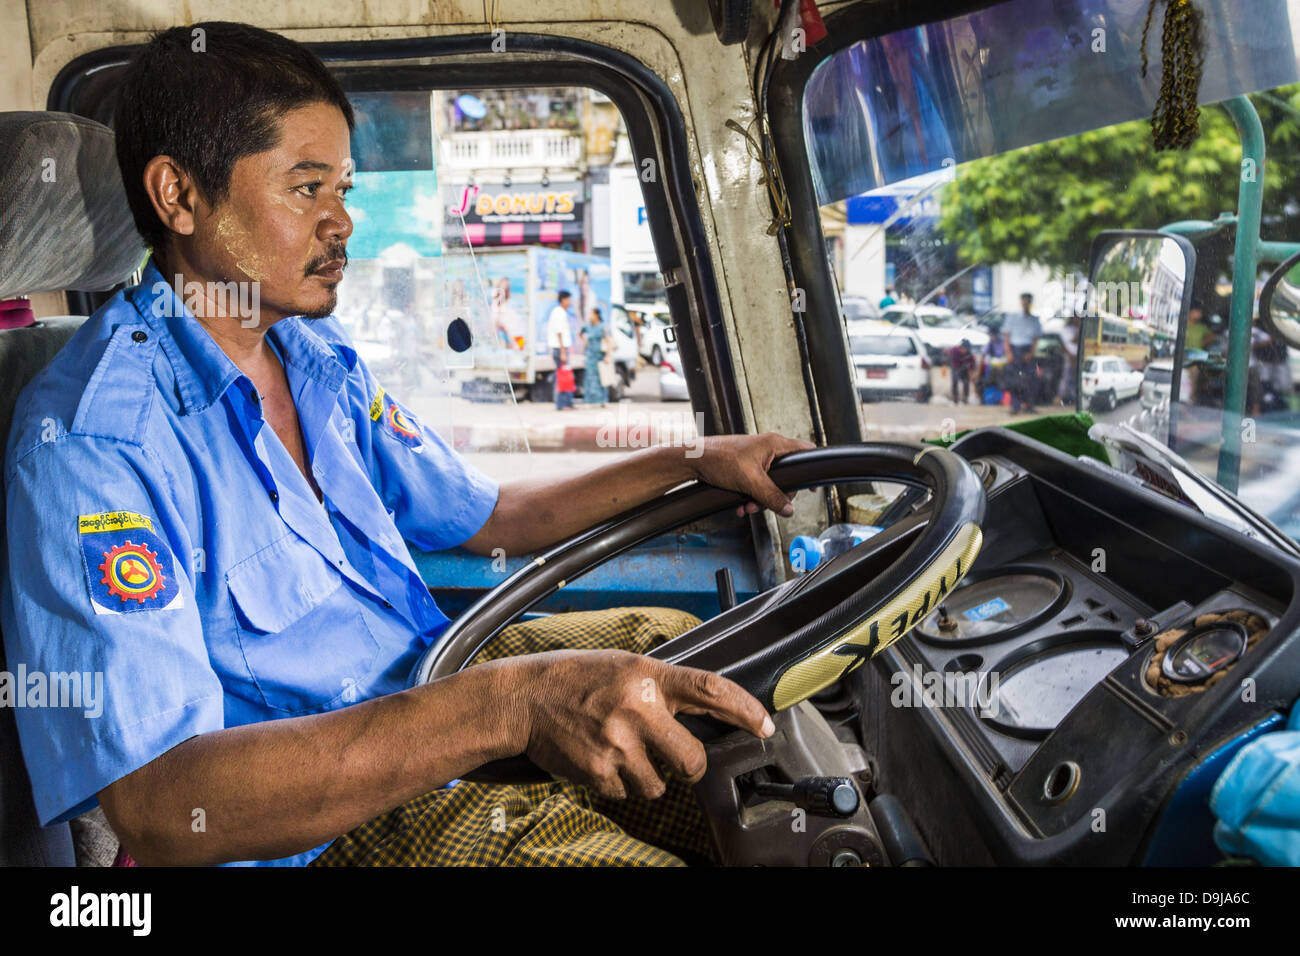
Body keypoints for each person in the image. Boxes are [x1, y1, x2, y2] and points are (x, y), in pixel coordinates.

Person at [1, 22, 814, 868]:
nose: (342, 221)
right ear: (179, 197)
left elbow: (495, 513)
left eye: (342, 188)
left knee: (688, 666)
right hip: (321, 831)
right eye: (305, 188)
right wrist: (506, 708)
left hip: (424, 697)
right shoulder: (92, 443)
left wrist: (694, 461)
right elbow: (165, 805)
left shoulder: (315, 359)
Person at [1003, 292, 1042, 414]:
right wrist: (1008, 352)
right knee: (1015, 380)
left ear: (1030, 302)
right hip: (1015, 350)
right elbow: (1006, 336)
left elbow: (1036, 339)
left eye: (1028, 301)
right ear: (1021, 302)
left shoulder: (1035, 320)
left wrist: (1031, 353)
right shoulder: (1013, 317)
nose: (1026, 303)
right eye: (1024, 301)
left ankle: (1029, 405)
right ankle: (1015, 406)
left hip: (1028, 350)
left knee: (1030, 379)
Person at [546, 289, 574, 408]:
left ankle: (566, 403)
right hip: (559, 349)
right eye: (568, 300)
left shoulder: (560, 312)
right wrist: (563, 351)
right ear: (563, 300)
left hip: (561, 348)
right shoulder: (559, 312)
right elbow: (559, 332)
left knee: (564, 375)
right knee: (562, 376)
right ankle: (561, 404)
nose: (570, 302)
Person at [580, 306, 610, 407]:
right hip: (590, 355)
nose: (589, 316)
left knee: (602, 378)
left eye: (591, 314)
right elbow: (580, 333)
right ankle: (588, 400)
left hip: (600, 355)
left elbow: (608, 341)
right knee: (589, 378)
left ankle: (603, 400)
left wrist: (607, 355)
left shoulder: (602, 327)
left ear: (597, 315)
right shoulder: (587, 326)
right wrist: (585, 341)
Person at [949, 338, 976, 405]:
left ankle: (965, 398)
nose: (965, 351)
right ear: (961, 347)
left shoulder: (969, 354)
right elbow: (953, 362)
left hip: (964, 369)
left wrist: (972, 375)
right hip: (955, 368)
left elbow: (971, 366)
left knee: (966, 382)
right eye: (964, 349)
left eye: (967, 349)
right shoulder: (954, 350)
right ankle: (955, 398)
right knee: (955, 381)